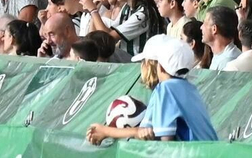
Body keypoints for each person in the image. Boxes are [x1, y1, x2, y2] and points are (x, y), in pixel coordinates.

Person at [85, 34, 217, 143]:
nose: (142, 67)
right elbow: (146, 131)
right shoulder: (188, 87)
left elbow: (163, 141)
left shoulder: (166, 89)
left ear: (158, 65)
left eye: (144, 62)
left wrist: (106, 131)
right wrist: (107, 132)